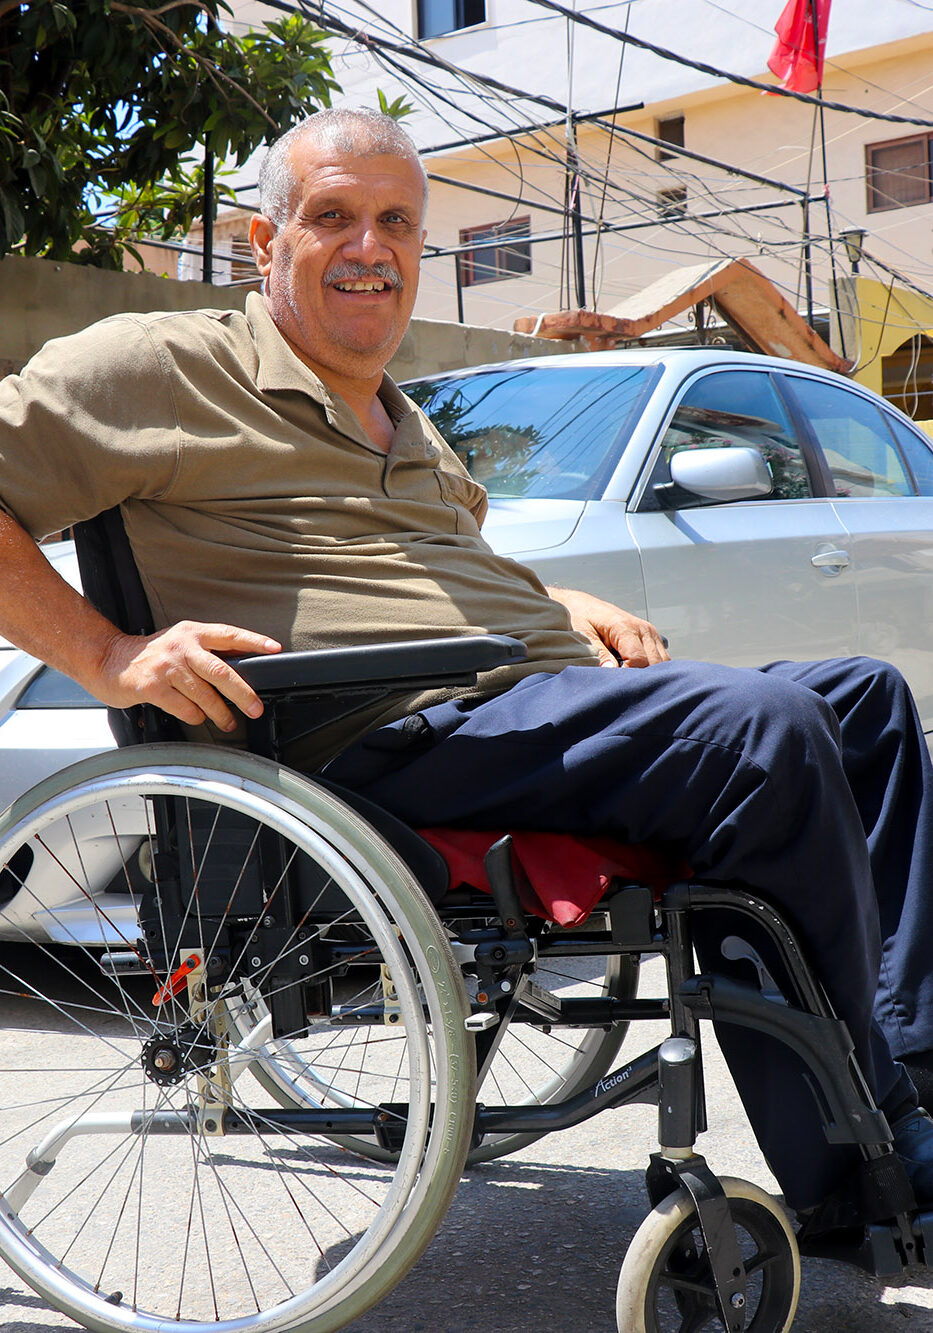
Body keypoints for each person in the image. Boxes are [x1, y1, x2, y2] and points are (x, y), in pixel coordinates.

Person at [1, 106, 932, 1226]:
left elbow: (449, 567)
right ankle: (857, 1170)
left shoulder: (405, 417)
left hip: (512, 703)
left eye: (396, 221)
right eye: (332, 217)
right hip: (367, 736)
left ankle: (909, 1082)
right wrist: (109, 655)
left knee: (866, 700)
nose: (370, 248)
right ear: (261, 243)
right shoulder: (163, 366)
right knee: (763, 728)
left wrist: (556, 600)